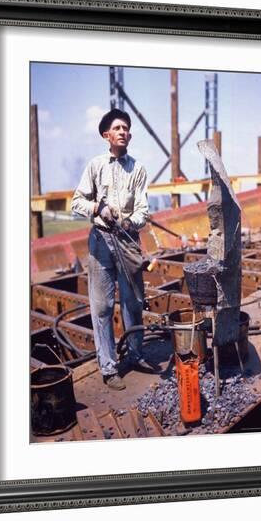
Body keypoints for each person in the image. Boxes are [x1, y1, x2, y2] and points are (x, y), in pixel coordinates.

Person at [71, 109, 157, 391]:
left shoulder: (139, 169)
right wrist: (98, 208)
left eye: (126, 128)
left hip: (129, 240)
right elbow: (76, 203)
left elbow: (144, 209)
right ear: (106, 135)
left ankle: (135, 354)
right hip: (101, 241)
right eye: (117, 128)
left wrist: (130, 221)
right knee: (102, 306)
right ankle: (109, 368)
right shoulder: (96, 166)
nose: (123, 132)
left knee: (133, 302)